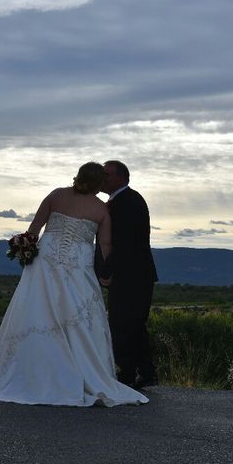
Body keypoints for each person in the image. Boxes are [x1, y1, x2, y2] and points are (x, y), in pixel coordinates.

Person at [0, 162, 148, 407]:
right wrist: (106, 273)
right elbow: (105, 245)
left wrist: (23, 251)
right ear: (99, 184)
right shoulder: (101, 209)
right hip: (78, 267)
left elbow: (33, 232)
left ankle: (28, 372)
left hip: (45, 263)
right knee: (79, 317)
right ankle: (82, 371)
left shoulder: (56, 196)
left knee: (38, 311)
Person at [101, 160, 158, 388]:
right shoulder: (122, 201)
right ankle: (144, 372)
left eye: (107, 175)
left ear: (121, 178)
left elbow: (124, 244)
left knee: (123, 324)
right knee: (133, 324)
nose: (102, 178)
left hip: (131, 276)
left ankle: (128, 374)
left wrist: (107, 270)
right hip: (135, 274)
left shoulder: (128, 202)